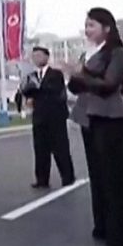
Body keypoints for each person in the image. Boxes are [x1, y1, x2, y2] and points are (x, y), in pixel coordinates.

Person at [66, 7, 123, 246]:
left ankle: (121, 232)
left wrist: (81, 75)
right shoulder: (87, 54)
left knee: (114, 176)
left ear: (107, 28)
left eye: (92, 25)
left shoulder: (117, 53)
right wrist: (73, 77)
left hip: (110, 116)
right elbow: (77, 88)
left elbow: (108, 85)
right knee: (97, 174)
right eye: (86, 25)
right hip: (88, 117)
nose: (87, 30)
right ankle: (102, 225)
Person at [20, 46, 75, 189]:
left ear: (46, 57)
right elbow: (27, 91)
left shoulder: (55, 74)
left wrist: (36, 88)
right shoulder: (31, 76)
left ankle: (68, 177)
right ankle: (42, 179)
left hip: (55, 117)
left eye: (39, 55)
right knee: (40, 149)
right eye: (34, 56)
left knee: (60, 148)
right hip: (39, 117)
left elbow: (53, 89)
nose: (36, 58)